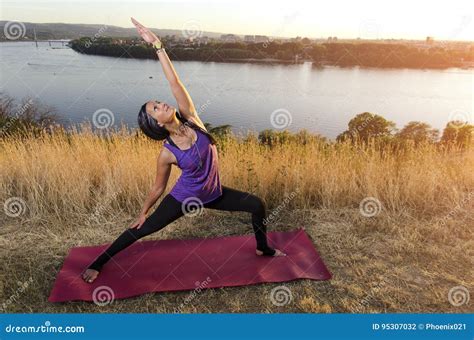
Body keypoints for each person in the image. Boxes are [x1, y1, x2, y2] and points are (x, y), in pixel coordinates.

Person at [82, 18, 285, 284]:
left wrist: (157, 45)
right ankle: (98, 262)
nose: (160, 104)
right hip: (184, 198)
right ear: (155, 123)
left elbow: (174, 81)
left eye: (157, 102)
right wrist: (143, 212)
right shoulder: (167, 153)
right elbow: (157, 188)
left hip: (214, 194)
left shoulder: (192, 119)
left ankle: (263, 248)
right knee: (142, 229)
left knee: (257, 204)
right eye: (155, 109)